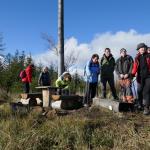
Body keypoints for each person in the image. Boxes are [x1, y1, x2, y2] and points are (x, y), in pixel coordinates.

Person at [132, 43, 150, 115]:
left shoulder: (149, 56)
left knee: (147, 91)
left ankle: (146, 107)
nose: (142, 49)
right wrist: (132, 74)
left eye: (143, 48)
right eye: (140, 48)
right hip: (140, 77)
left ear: (145, 48)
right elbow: (135, 67)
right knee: (139, 90)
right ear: (138, 50)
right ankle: (140, 104)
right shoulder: (137, 58)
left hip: (148, 76)